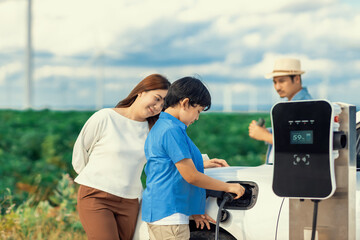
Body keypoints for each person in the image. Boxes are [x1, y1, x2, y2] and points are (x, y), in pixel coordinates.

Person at [141, 76, 245, 240]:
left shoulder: (164, 126)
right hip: (170, 218)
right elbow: (191, 176)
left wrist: (203, 163)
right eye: (197, 111)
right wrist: (228, 187)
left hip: (164, 213)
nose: (197, 118)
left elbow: (169, 166)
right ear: (185, 103)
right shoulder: (171, 131)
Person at [72, 74, 171, 240]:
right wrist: (93, 181)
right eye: (157, 98)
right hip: (96, 197)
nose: (158, 106)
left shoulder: (153, 130)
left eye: (163, 104)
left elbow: (172, 157)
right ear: (141, 92)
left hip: (130, 203)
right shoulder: (105, 117)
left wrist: (203, 162)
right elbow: (80, 151)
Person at [248, 58, 312, 164]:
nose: (277, 87)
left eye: (282, 81)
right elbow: (291, 134)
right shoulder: (291, 105)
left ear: (296, 79)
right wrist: (265, 132)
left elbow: (304, 142)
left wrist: (265, 136)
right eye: (274, 82)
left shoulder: (305, 105)